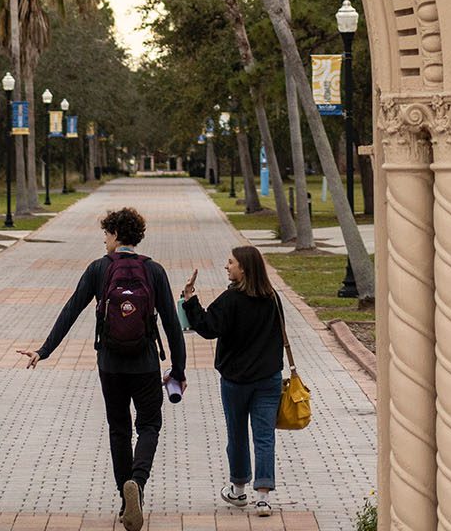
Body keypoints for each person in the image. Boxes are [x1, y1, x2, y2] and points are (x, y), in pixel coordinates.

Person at [18, 207, 186, 531]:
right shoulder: (154, 271)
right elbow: (171, 325)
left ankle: (126, 501)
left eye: (105, 236)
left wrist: (44, 350)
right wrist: (178, 370)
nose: (104, 242)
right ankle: (137, 481)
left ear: (113, 235)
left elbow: (71, 309)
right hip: (146, 363)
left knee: (119, 428)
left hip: (110, 364)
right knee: (149, 425)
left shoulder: (99, 269)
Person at [180, 244, 286, 517]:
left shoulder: (231, 300)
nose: (226, 266)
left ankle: (239, 491)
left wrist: (190, 298)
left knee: (237, 433)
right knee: (264, 436)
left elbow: (207, 328)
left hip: (236, 380)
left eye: (231, 262)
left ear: (243, 268)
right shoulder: (272, 297)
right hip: (268, 379)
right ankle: (263, 497)